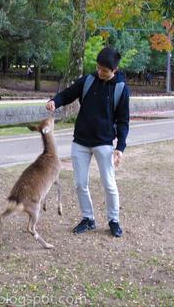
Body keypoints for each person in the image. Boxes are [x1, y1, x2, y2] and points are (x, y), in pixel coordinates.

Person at [45, 47, 130, 238]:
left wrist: (120, 147)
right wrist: (55, 101)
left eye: (105, 70)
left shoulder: (121, 89)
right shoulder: (89, 80)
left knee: (109, 184)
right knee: (80, 183)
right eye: (98, 68)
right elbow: (68, 93)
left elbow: (123, 120)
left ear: (114, 70)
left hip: (104, 143)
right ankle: (88, 218)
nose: (100, 72)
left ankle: (113, 220)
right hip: (81, 141)